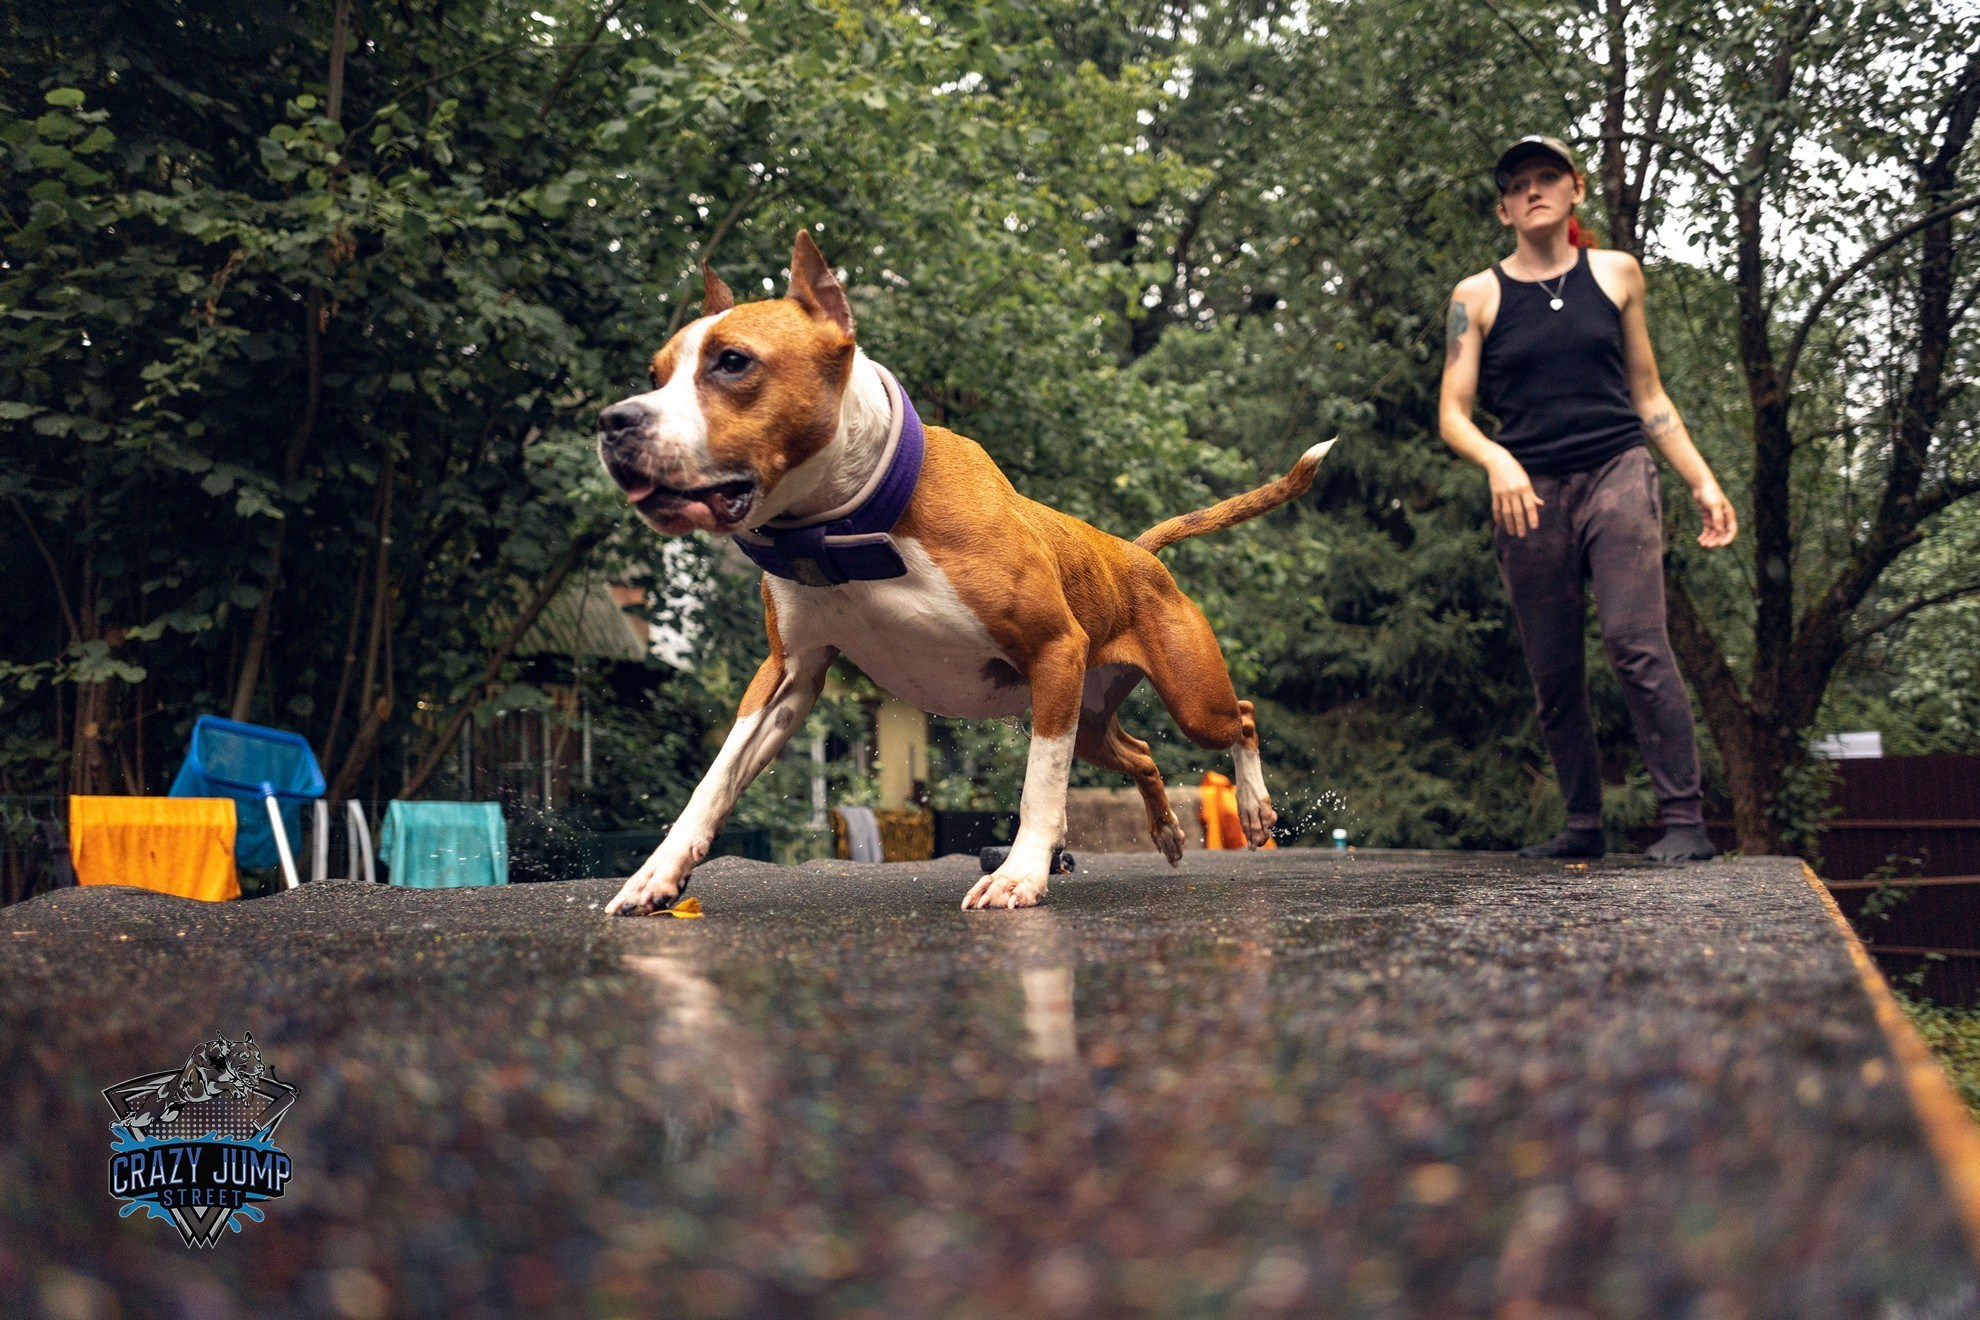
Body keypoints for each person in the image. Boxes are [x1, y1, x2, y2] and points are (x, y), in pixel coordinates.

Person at [1438, 135, 1738, 862]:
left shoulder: (1617, 274)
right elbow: (1452, 413)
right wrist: (1497, 459)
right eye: (1519, 184)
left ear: (1574, 189)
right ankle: (1582, 825)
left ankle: (1685, 821)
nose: (1534, 190)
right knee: (1554, 667)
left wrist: (1701, 479)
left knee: (1636, 642)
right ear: (1504, 206)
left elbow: (1649, 393)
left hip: (1617, 471)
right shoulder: (1474, 297)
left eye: (1548, 177)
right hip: (1529, 494)